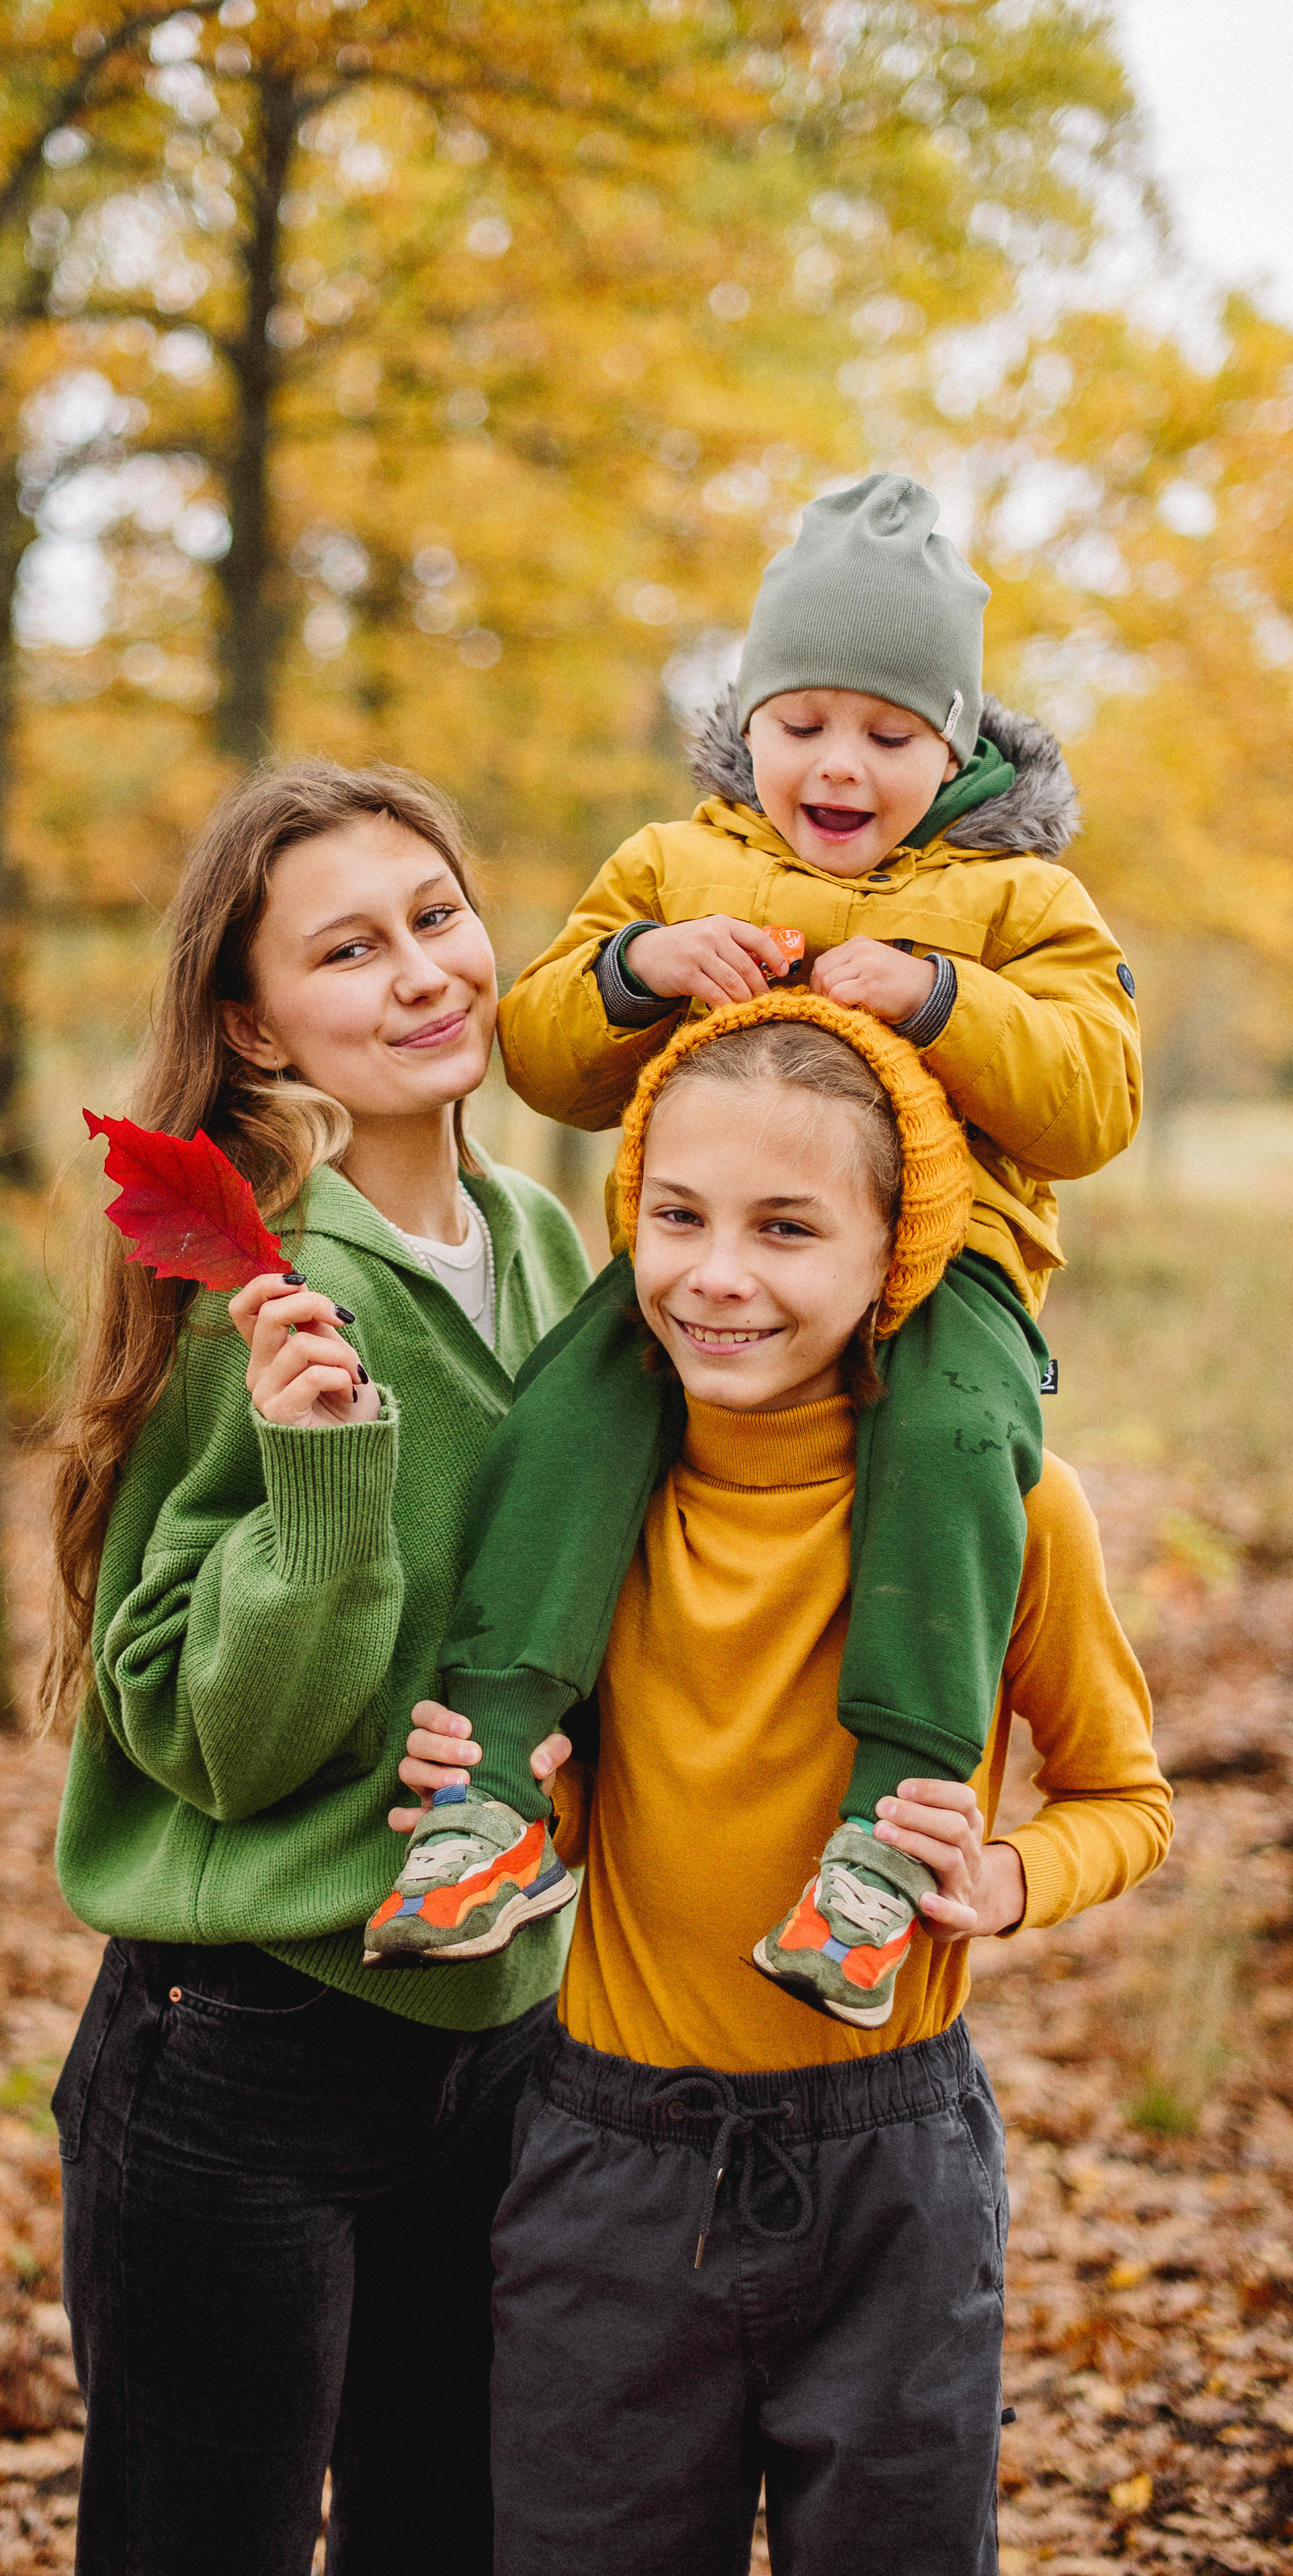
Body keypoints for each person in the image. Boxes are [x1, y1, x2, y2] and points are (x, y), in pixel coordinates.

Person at [366, 472, 1142, 2024]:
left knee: (953, 1445)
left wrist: (936, 998)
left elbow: (1093, 1095)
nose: (836, 765)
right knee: (570, 1412)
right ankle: (493, 1800)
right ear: (748, 724)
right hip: (702, 1251)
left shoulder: (1010, 898)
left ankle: (885, 1833)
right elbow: (539, 1048)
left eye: (885, 733)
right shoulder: (672, 866)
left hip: (953, 1265)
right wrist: (643, 969)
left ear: (954, 740)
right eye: (799, 724)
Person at [423, 991, 1172, 2573]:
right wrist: (497, 1791)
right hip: (605, 2168)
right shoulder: (579, 1507)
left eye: (785, 1229)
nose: (716, 1275)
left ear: (890, 1254)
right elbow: (580, 1792)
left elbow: (1126, 1797)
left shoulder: (1014, 1515)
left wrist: (1007, 1879)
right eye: (677, 1216)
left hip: (886, 2172)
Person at [42, 761, 589, 2576]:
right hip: (251, 2042)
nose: (423, 972)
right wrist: (320, 1473)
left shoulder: (547, 1246)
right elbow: (218, 1737)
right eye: (348, 950)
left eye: (437, 917)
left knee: (448, 2536)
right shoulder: (256, 1297)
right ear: (258, 1030)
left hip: (498, 2040)